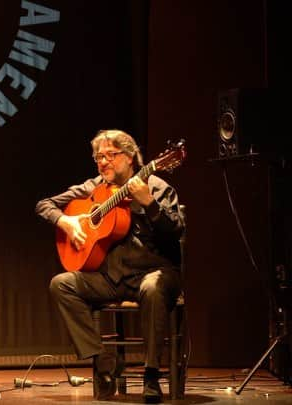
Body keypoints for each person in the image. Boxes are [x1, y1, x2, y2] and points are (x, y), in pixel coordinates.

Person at [36, 129, 184, 403]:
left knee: (153, 287)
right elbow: (44, 205)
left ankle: (151, 374)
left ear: (130, 157)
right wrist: (66, 222)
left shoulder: (158, 187)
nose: (102, 162)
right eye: (98, 157)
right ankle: (102, 359)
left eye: (109, 156)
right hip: (112, 278)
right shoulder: (95, 187)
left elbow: (175, 231)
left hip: (154, 274)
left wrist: (150, 205)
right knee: (62, 284)